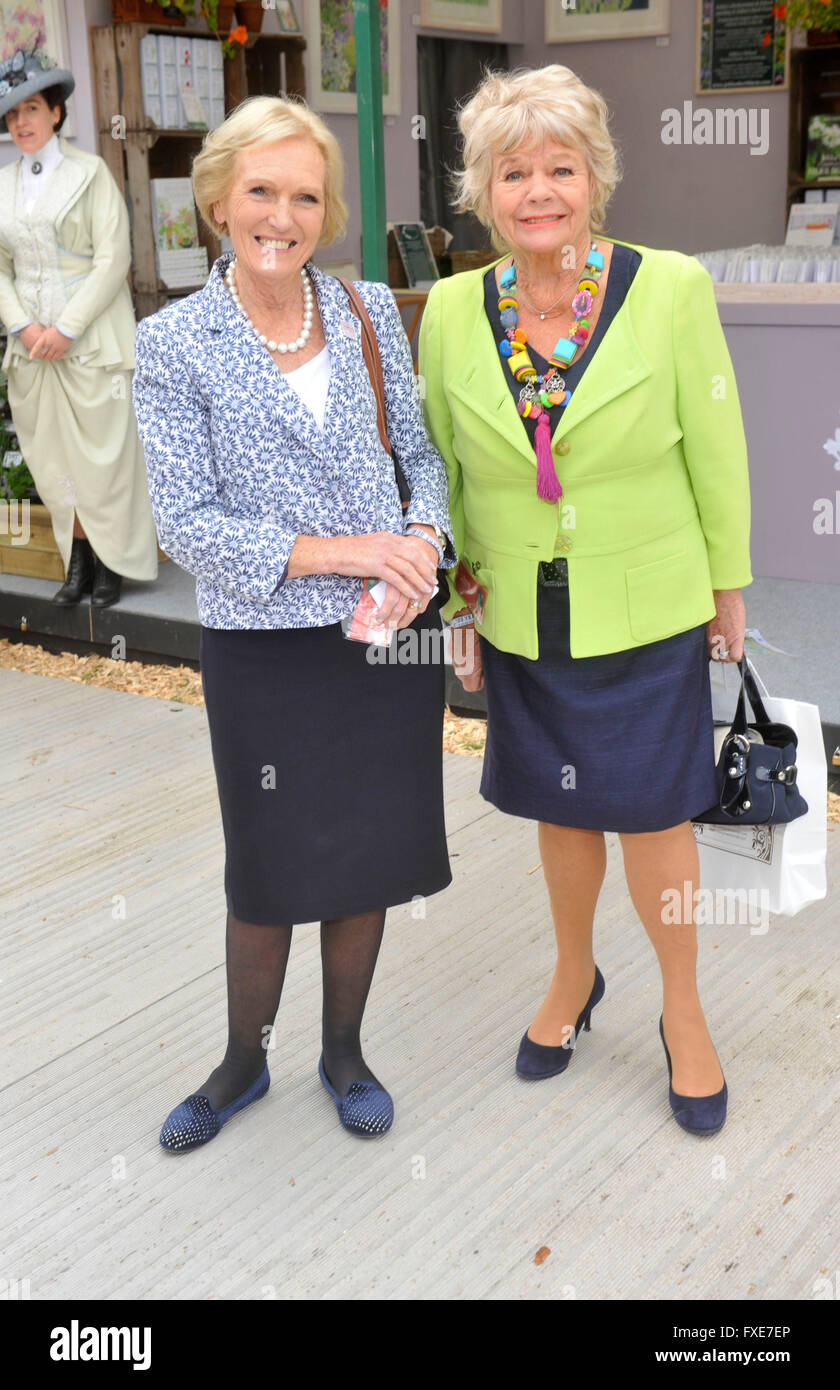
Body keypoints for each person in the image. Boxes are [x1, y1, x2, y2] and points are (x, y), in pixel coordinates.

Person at [419, 65, 754, 1137]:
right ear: (482, 188)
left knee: (657, 811)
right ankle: (574, 978)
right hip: (521, 602)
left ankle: (685, 1008)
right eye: (512, 171)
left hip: (649, 599)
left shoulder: (669, 288)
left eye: (560, 166)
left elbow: (718, 445)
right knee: (561, 805)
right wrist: (459, 604)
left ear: (595, 176)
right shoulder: (456, 312)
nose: (538, 190)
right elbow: (448, 465)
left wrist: (726, 583)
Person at [132, 95, 456, 1151]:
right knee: (269, 868)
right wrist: (348, 551)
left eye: (306, 194)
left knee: (368, 853)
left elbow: (420, 458)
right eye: (261, 190)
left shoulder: (364, 312)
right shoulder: (173, 342)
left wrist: (418, 542)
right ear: (218, 200)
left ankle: (344, 1050)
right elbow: (185, 524)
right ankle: (242, 1063)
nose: (283, 212)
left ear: (329, 210)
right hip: (265, 645)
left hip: (383, 638)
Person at [0, 43, 158, 607]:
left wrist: (65, 327)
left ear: (56, 113)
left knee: (104, 458)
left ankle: (113, 564)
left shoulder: (90, 175)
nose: (22, 122)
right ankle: (79, 563)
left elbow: (112, 259)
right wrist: (22, 327)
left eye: (32, 110)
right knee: (55, 462)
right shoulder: (2, 186)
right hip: (32, 351)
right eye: (13, 114)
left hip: (90, 344)